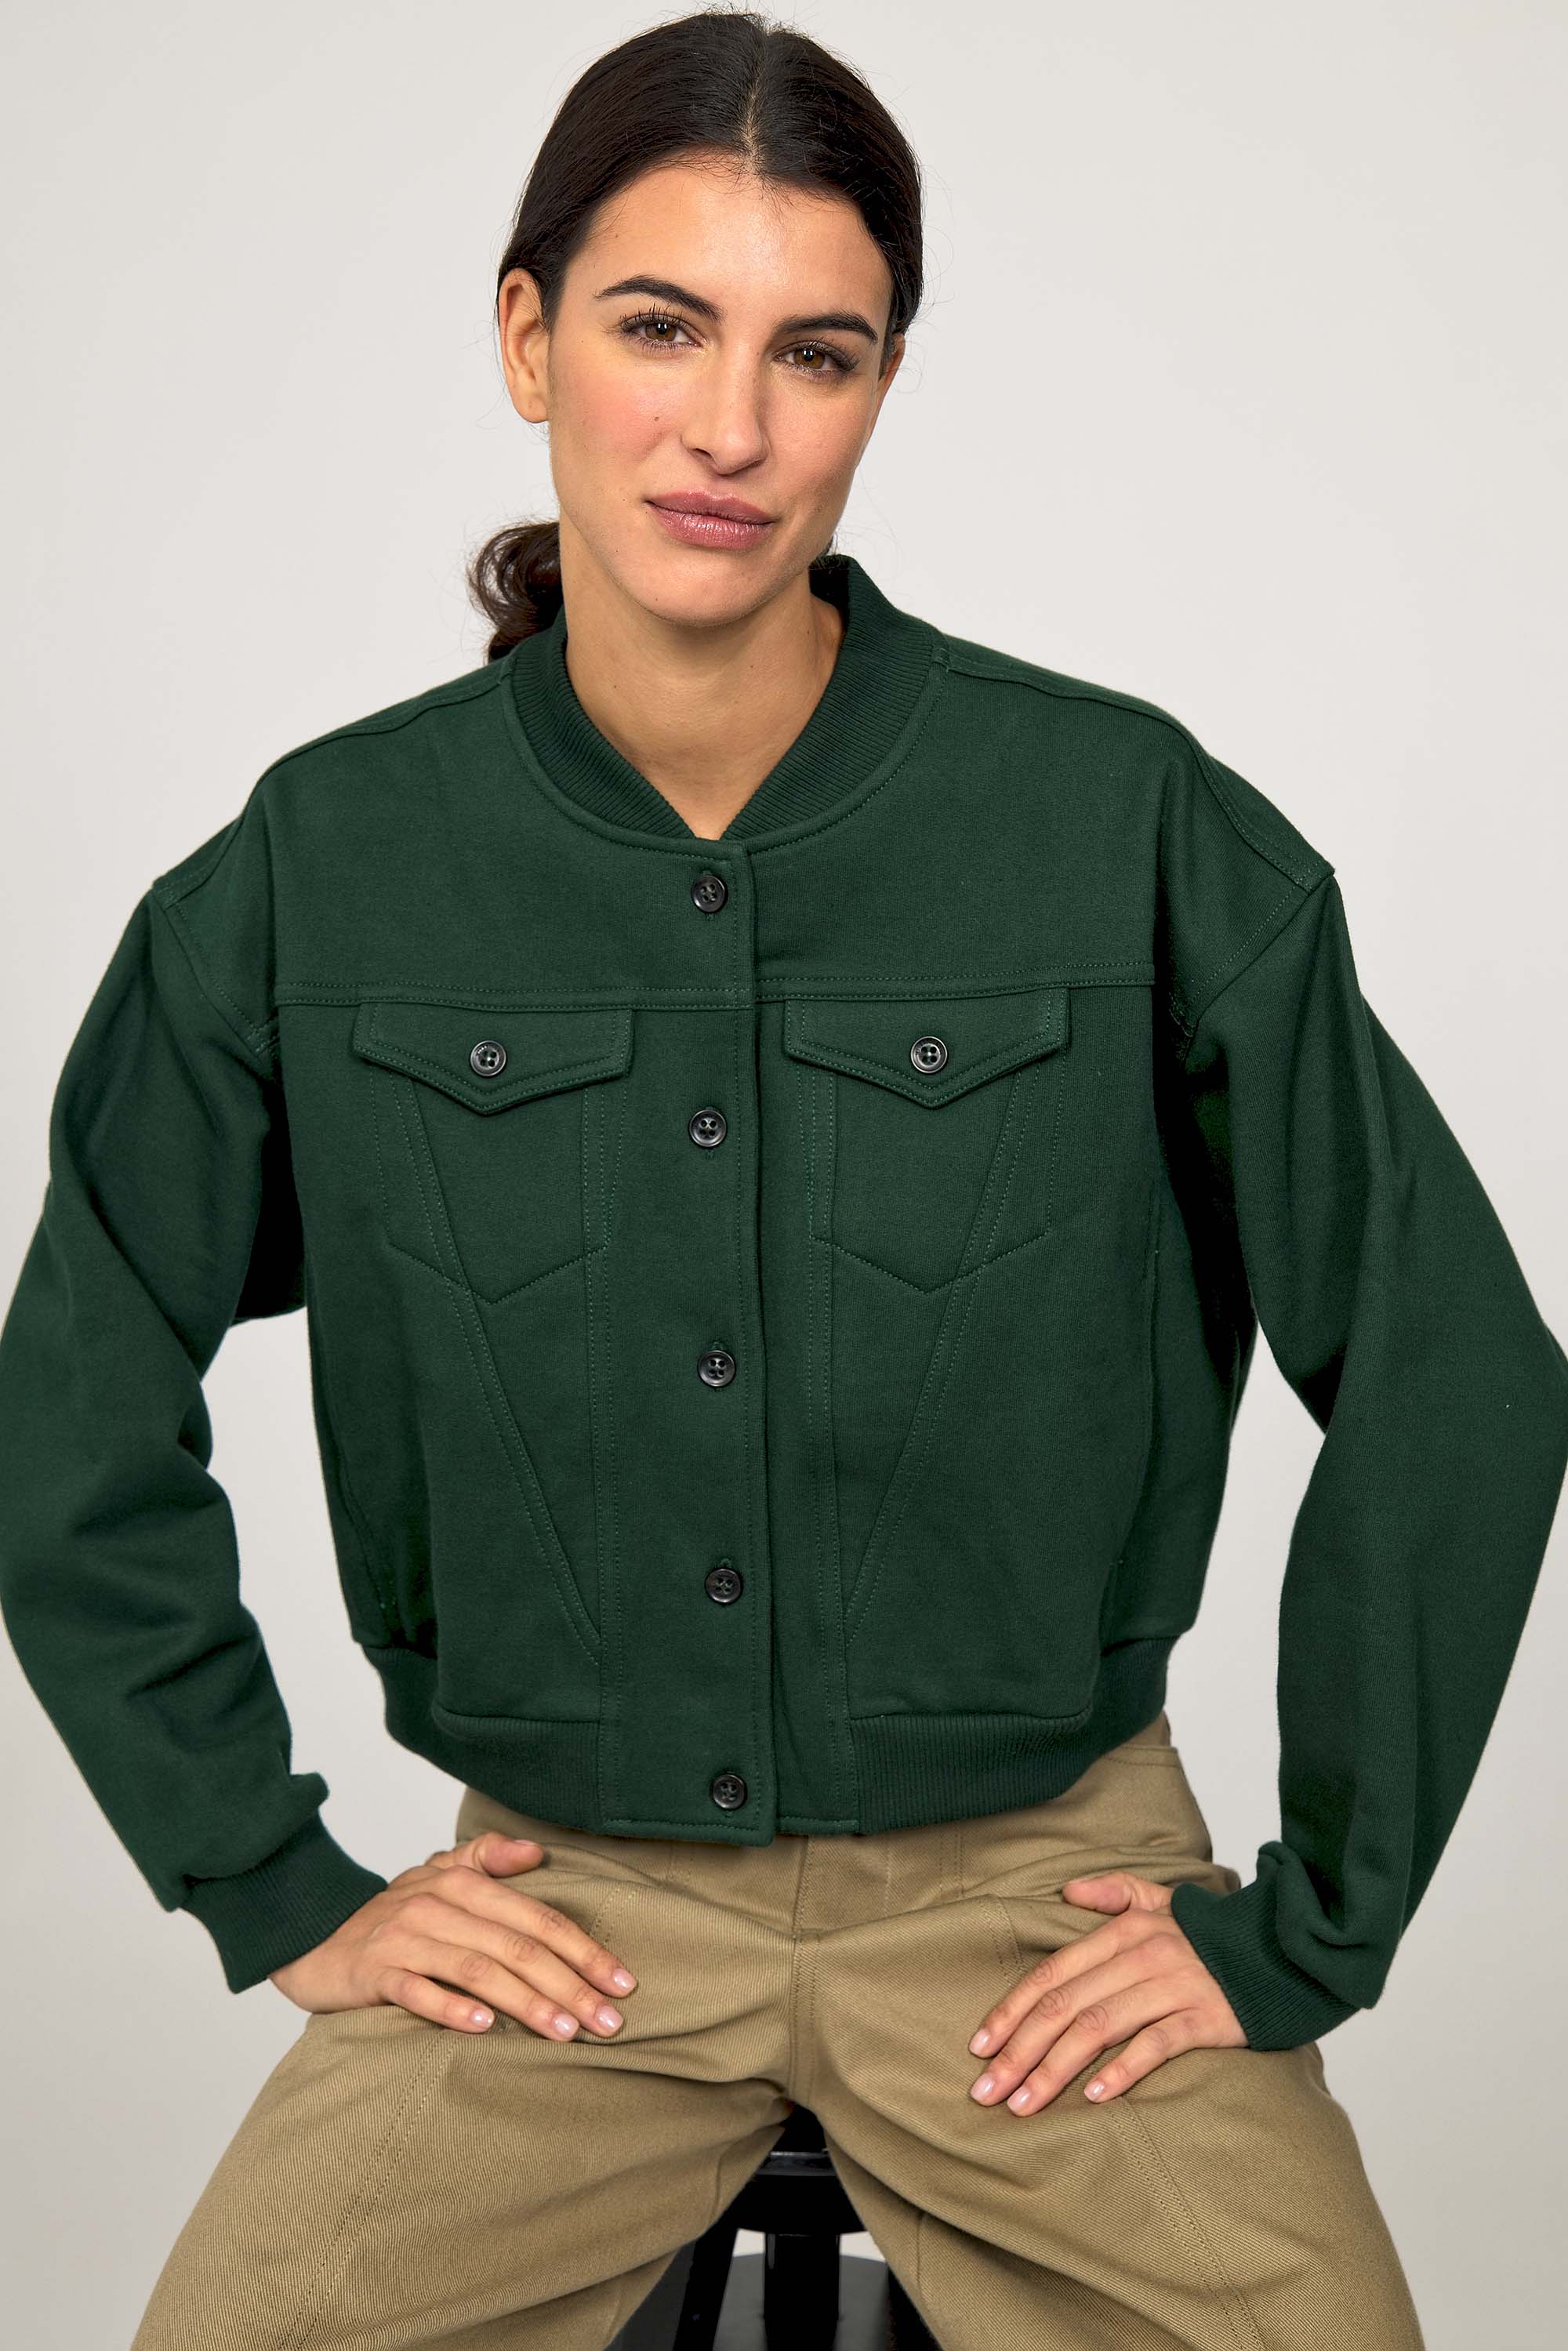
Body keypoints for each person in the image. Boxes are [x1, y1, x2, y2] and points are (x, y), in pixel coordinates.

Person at [2, 10, 1564, 2348]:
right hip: (568, 1919)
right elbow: (74, 1398)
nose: (730, 428)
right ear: (525, 339)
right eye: (660, 328)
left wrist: (1302, 1927)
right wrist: (269, 1873)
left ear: (882, 386)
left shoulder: (1120, 822)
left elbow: (1460, 1373)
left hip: (1041, 1907)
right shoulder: (328, 864)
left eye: (814, 354)